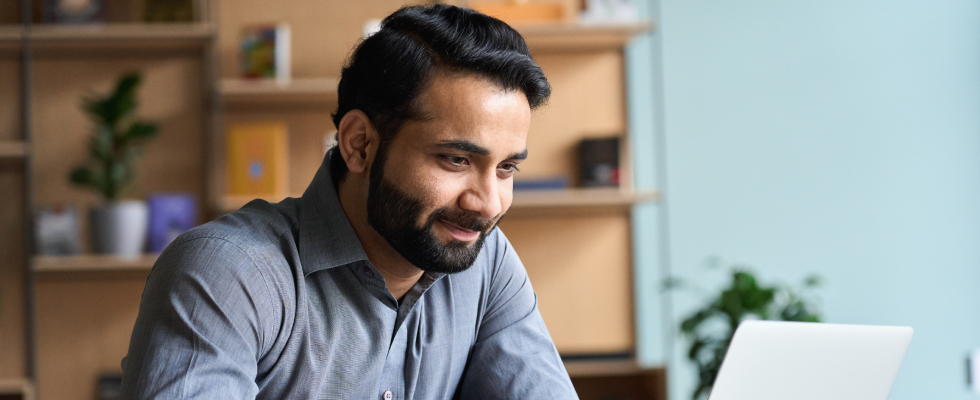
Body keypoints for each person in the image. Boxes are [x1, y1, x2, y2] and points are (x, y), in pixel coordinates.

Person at [120, 4, 578, 399]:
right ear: (359, 144)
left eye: (506, 168)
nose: (487, 204)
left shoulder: (486, 264)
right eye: (456, 159)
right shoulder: (230, 274)